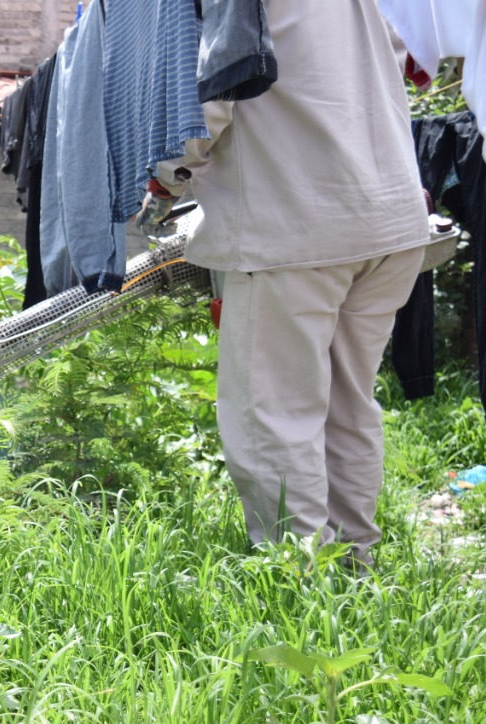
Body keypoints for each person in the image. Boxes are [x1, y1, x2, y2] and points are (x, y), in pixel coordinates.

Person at [139, 0, 429, 568]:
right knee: (349, 404)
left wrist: (165, 179)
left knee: (273, 414)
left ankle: (297, 578)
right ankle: (355, 566)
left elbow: (210, 99)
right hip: (389, 218)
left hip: (294, 223)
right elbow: (405, 57)